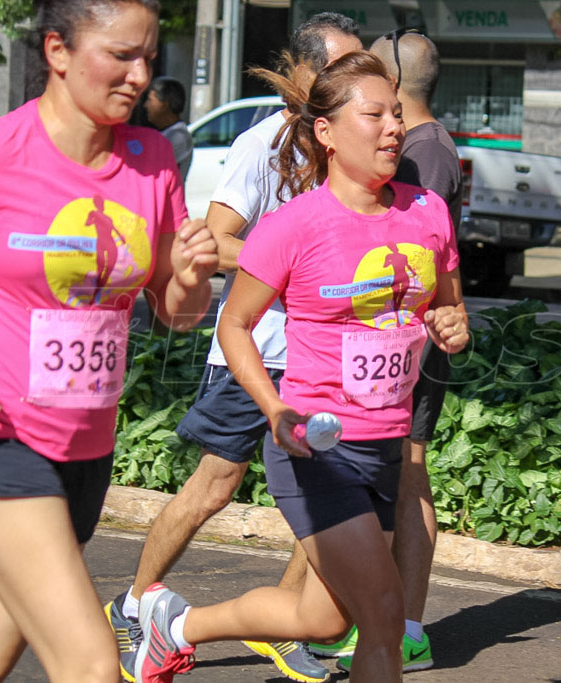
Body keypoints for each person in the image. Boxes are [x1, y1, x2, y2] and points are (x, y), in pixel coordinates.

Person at [132, 50, 469, 683]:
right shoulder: (292, 227)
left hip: (383, 451)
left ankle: (174, 627)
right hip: (315, 449)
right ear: (327, 133)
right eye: (375, 115)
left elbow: (450, 308)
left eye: (397, 113)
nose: (395, 127)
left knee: (322, 621)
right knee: (384, 613)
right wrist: (274, 408)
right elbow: (232, 325)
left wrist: (451, 325)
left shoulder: (427, 212)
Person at [0, 1, 217, 681]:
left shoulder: (153, 160)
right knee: (90, 664)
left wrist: (192, 279)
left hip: (84, 446)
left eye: (149, 57)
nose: (140, 76)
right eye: (120, 55)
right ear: (57, 51)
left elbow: (175, 314)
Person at [103, 12, 362, 683]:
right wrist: (293, 269)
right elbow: (215, 242)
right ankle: (138, 603)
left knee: (328, 495)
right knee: (212, 490)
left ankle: (295, 628)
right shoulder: (262, 145)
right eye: (340, 68)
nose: (355, 80)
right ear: (305, 74)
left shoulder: (349, 152)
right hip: (255, 350)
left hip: (321, 357)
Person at [334, 28, 462, 673]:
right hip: (388, 339)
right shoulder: (418, 144)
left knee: (408, 475)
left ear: (393, 83)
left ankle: (405, 625)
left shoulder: (425, 153)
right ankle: (372, 617)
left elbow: (430, 263)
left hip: (411, 344)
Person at [144, 76, 193, 178]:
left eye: (150, 100)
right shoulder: (165, 134)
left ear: (164, 105)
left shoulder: (178, 137)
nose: (146, 105)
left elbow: (147, 170)